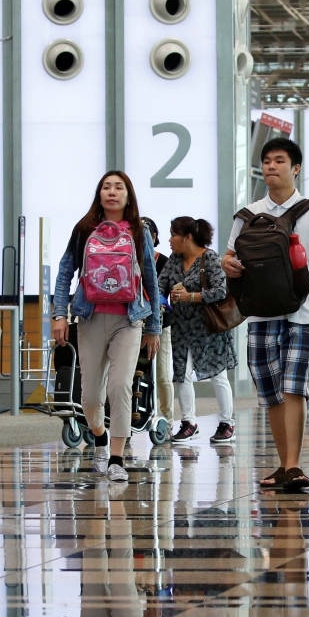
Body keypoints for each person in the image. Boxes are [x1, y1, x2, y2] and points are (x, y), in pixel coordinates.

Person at [221, 137, 309, 492]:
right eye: (266, 161)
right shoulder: (247, 215)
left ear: (295, 168)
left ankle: (294, 465)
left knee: (293, 386)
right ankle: (284, 465)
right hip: (260, 314)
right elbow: (228, 257)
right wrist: (228, 264)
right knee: (271, 393)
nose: (271, 166)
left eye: (279, 160)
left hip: (301, 313)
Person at [52, 170, 161, 481]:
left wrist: (153, 327)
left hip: (129, 320)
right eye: (106, 187)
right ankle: (99, 437)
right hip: (89, 318)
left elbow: (150, 280)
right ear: (99, 195)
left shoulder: (138, 231)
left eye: (119, 187)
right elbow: (65, 271)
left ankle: (116, 458)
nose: (112, 192)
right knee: (89, 397)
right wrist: (59, 314)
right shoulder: (85, 229)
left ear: (128, 195)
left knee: (120, 386)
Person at [158, 217, 237, 444]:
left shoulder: (210, 258)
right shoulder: (174, 260)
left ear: (188, 237)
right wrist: (162, 300)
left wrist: (190, 296)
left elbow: (221, 291)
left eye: (173, 234)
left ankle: (227, 423)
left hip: (208, 327)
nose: (170, 240)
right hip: (181, 327)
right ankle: (189, 423)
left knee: (217, 374)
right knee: (182, 373)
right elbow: (160, 284)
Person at [144, 217, 175, 429]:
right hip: (132, 325)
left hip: (161, 323)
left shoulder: (163, 261)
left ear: (154, 237)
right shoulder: (128, 259)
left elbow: (169, 293)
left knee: (162, 374)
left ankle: (167, 421)